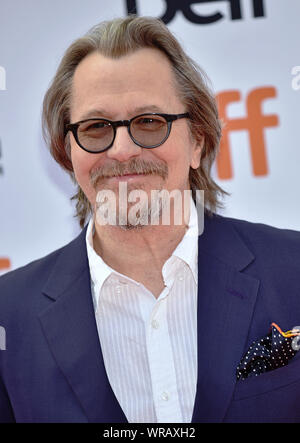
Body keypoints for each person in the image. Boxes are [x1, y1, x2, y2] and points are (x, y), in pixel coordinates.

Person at [1, 15, 300, 424]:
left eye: (149, 122)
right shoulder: (8, 315)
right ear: (67, 153)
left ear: (198, 141)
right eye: (96, 127)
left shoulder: (293, 270)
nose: (122, 150)